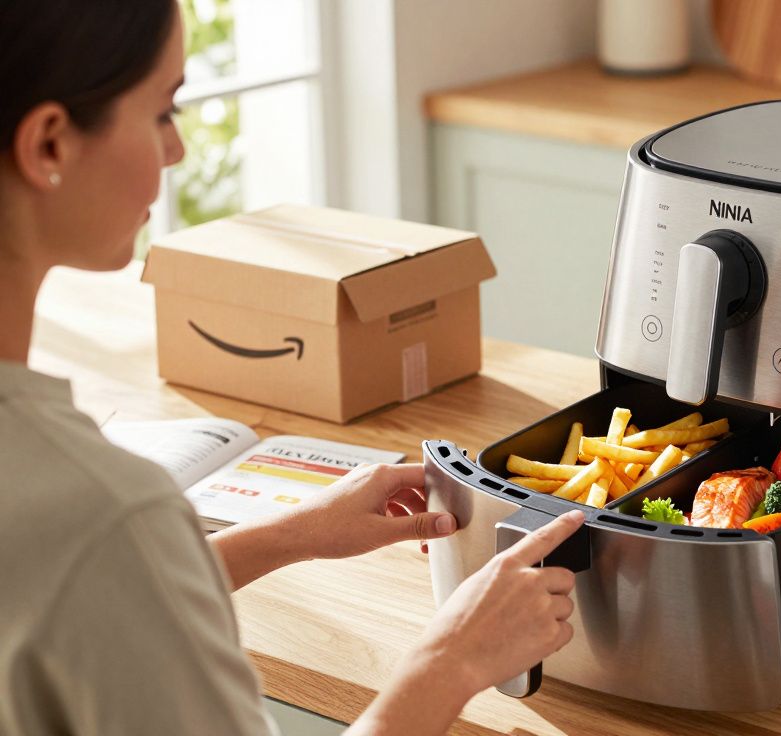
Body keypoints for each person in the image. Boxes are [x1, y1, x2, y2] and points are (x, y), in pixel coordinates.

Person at [0, 1, 584, 733]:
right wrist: (453, 659)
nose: (177, 150)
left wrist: (289, 534)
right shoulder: (102, 511)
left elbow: (65, 592)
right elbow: (94, 558)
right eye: (162, 111)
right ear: (49, 144)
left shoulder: (82, 519)